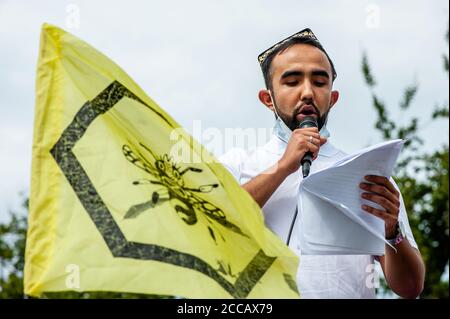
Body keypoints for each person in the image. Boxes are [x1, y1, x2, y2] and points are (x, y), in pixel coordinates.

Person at [219, 28, 425, 298]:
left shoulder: (368, 174)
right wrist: (283, 168)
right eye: (292, 81)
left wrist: (391, 231)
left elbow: (410, 288)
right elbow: (212, 222)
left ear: (333, 97)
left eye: (319, 82)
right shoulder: (237, 164)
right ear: (268, 99)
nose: (307, 92)